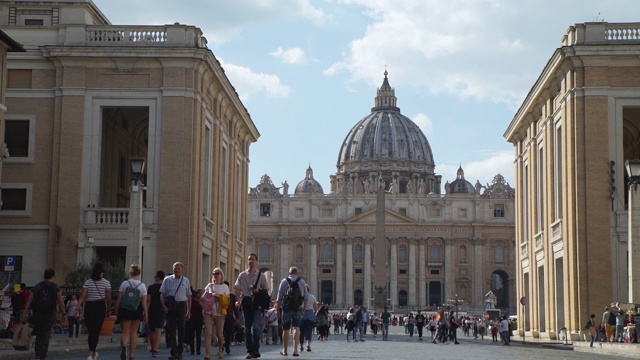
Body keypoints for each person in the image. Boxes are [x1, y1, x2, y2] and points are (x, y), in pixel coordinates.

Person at [22, 268, 66, 360]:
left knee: (39, 334)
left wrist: (25, 313)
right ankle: (43, 356)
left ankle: (37, 355)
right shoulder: (56, 287)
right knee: (46, 335)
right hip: (49, 315)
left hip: (37, 314)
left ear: (44, 276)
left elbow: (29, 302)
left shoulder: (37, 287)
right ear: (53, 276)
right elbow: (61, 302)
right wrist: (64, 313)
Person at [234, 253, 269, 359]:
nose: (251, 261)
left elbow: (266, 290)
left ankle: (256, 349)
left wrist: (259, 290)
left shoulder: (261, 276)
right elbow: (238, 289)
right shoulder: (242, 275)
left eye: (253, 259)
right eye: (249, 259)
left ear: (256, 261)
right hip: (246, 303)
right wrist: (238, 301)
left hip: (257, 304)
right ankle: (250, 350)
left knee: (256, 329)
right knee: (247, 329)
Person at [76, 262, 111, 360]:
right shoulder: (106, 283)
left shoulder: (88, 282)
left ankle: (92, 351)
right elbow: (108, 299)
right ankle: (92, 352)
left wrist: (77, 306)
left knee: (91, 331)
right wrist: (108, 310)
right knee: (96, 330)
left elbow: (83, 296)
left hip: (89, 306)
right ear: (102, 272)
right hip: (100, 307)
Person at [114, 264, 148, 360]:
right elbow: (144, 302)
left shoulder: (124, 283)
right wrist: (146, 314)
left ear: (130, 273)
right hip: (136, 309)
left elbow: (119, 299)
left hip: (125, 309)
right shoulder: (142, 286)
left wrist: (116, 310)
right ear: (139, 273)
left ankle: (124, 346)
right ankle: (132, 355)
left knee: (125, 332)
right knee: (133, 332)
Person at [160, 261, 192, 360]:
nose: (177, 270)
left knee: (181, 328)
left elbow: (189, 296)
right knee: (171, 329)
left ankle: (180, 351)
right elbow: (162, 294)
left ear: (182, 270)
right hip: (170, 305)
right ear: (172, 269)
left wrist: (189, 310)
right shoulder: (167, 279)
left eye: (179, 268)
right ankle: (174, 352)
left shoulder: (186, 280)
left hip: (181, 304)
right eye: (175, 268)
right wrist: (164, 306)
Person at [276, 266, 307, 356]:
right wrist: (304, 309)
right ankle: (295, 350)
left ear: (289, 273)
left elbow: (279, 298)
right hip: (298, 308)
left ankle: (285, 350)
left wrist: (277, 310)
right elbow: (306, 298)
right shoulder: (302, 281)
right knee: (296, 328)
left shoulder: (284, 281)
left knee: (285, 329)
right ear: (297, 273)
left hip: (286, 308)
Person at [203, 268, 230, 359]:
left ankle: (220, 349)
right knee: (208, 332)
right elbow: (203, 297)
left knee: (220, 334)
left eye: (217, 273)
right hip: (209, 311)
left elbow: (227, 301)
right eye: (214, 273)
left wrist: (218, 296)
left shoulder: (225, 287)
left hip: (220, 312)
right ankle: (208, 353)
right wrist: (205, 297)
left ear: (221, 275)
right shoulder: (209, 286)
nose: (215, 275)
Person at [147, 270, 165, 358]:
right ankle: (155, 349)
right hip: (161, 310)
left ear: (157, 277)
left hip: (152, 310)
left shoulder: (151, 287)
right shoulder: (164, 287)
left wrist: (146, 312)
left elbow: (148, 301)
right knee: (159, 330)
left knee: (152, 330)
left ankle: (153, 347)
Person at [299, 284, 319, 351]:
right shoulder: (312, 297)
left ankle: (301, 345)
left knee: (301, 331)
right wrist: (314, 314)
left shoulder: (299, 297)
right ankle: (308, 345)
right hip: (309, 316)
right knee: (309, 331)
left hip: (301, 315)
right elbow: (316, 308)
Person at [222, 280, 239, 355]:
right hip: (221, 316)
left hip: (229, 316)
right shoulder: (219, 295)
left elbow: (235, 308)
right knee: (221, 333)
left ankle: (227, 345)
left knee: (229, 332)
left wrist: (237, 317)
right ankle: (221, 345)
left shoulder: (232, 296)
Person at [186, 288, 203, 356]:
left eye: (201, 293)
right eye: (198, 293)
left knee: (198, 336)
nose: (200, 294)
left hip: (199, 320)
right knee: (191, 336)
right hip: (192, 319)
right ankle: (192, 349)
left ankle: (198, 350)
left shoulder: (203, 301)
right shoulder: (192, 300)